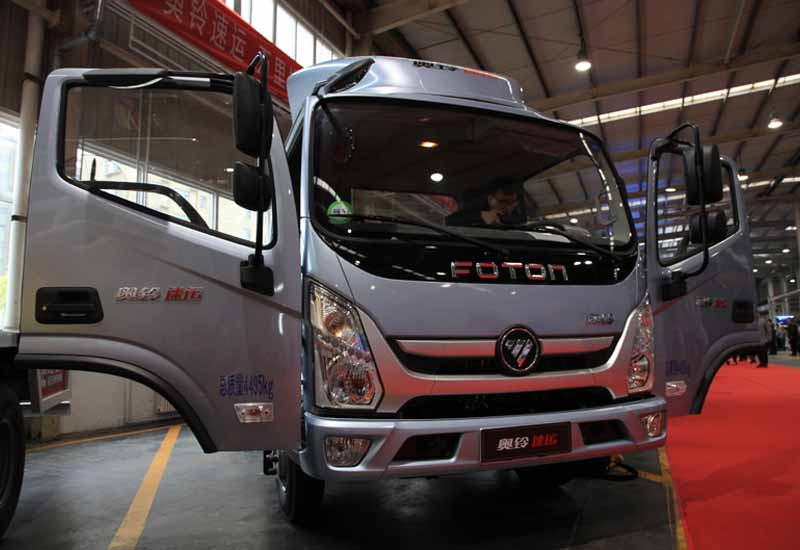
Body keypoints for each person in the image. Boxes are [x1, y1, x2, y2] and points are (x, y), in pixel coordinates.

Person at [446, 178, 525, 227]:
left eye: (512, 203)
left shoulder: (519, 215)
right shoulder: (473, 210)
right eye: (503, 202)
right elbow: (448, 222)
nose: (508, 207)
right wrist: (480, 218)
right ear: (490, 199)